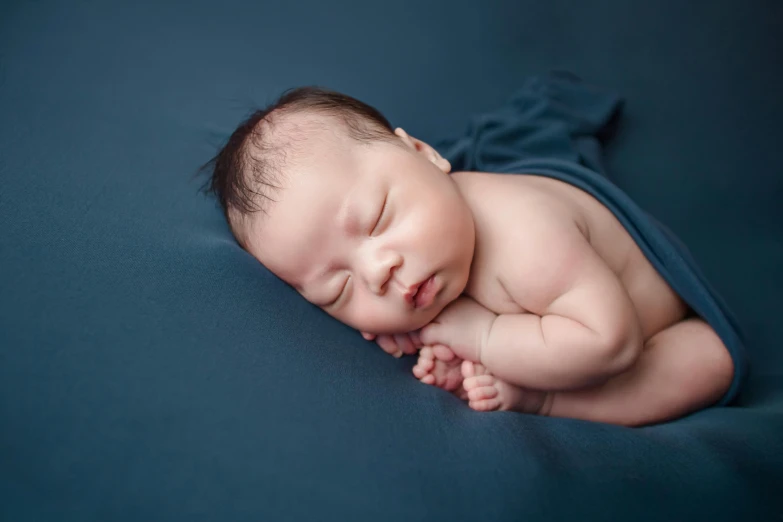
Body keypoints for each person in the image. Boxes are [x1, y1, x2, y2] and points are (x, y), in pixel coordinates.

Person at [203, 86, 735, 426]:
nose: (376, 271)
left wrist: (478, 335)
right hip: (557, 311)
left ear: (425, 154)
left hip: (635, 322)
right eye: (337, 288)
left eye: (379, 217)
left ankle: (551, 402)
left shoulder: (525, 237)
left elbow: (610, 344)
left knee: (711, 360)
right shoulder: (423, 262)